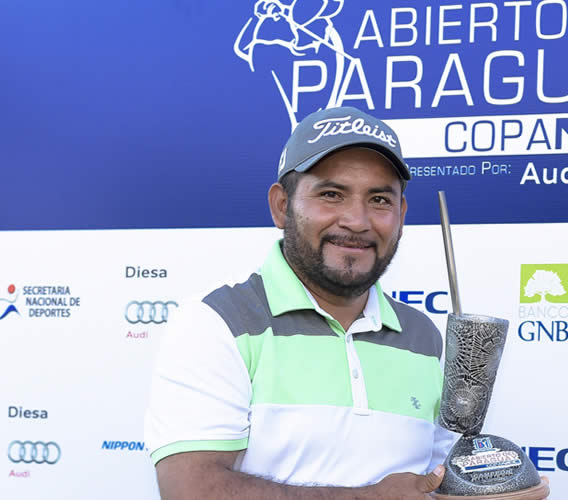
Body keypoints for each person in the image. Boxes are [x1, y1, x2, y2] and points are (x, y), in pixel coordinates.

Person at [144, 106, 458, 499]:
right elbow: (193, 491)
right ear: (281, 206)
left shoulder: (426, 337)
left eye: (379, 199)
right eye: (331, 194)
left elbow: (440, 481)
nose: (357, 221)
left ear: (401, 214)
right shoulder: (216, 324)